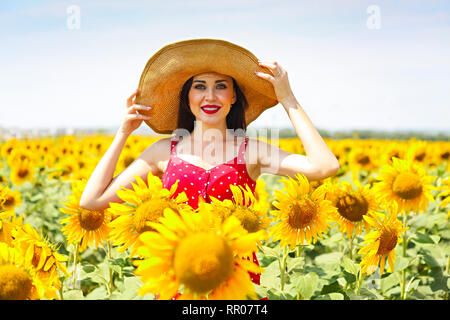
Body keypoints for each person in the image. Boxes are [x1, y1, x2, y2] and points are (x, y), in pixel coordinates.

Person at [79, 38, 340, 288]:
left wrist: (288, 99)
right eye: (200, 86)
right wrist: (123, 133)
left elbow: (324, 166)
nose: (210, 96)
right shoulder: (162, 153)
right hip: (180, 279)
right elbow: (92, 201)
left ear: (234, 97)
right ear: (187, 96)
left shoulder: (251, 152)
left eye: (221, 86)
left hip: (236, 280)